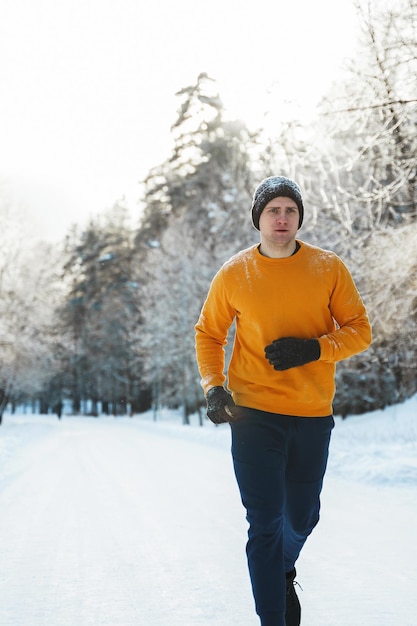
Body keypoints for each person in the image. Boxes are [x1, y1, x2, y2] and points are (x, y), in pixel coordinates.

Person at [194, 176, 372, 626]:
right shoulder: (235, 273)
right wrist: (214, 387)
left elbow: (359, 330)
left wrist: (315, 349)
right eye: (273, 210)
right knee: (265, 521)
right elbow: (209, 334)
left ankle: (282, 568)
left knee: (301, 518)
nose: (281, 218)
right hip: (252, 414)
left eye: (290, 210)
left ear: (299, 218)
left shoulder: (327, 267)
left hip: (312, 413)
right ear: (258, 218)